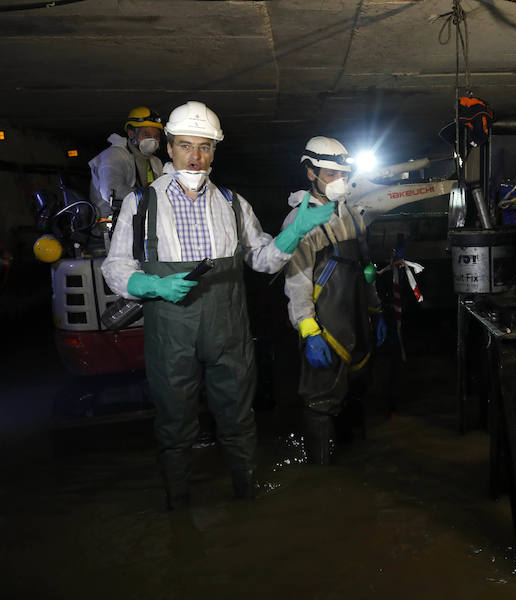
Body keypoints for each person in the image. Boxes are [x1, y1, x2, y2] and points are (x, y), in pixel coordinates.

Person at [101, 101, 334, 509]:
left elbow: (262, 259)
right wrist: (148, 284)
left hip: (229, 329)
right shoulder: (141, 204)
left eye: (205, 147)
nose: (196, 157)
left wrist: (292, 233)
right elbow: (115, 267)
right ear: (169, 148)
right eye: (186, 146)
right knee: (174, 423)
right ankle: (178, 505)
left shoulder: (232, 202)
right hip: (171, 331)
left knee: (239, 419)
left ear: (214, 151)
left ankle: (245, 499)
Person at [282, 136, 387, 465]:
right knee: (320, 399)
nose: (338, 181)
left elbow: (365, 267)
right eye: (330, 175)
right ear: (310, 172)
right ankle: (320, 475)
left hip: (355, 317)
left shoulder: (353, 214)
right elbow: (296, 281)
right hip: (325, 323)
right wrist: (309, 330)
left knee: (355, 389)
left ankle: (353, 470)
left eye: (343, 174)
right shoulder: (298, 221)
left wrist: (375, 308)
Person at [89, 106, 165, 220]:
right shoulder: (113, 156)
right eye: (146, 134)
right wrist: (152, 196)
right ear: (131, 134)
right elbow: (113, 192)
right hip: (108, 229)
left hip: (141, 224)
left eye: (156, 136)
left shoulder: (156, 162)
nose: (152, 140)